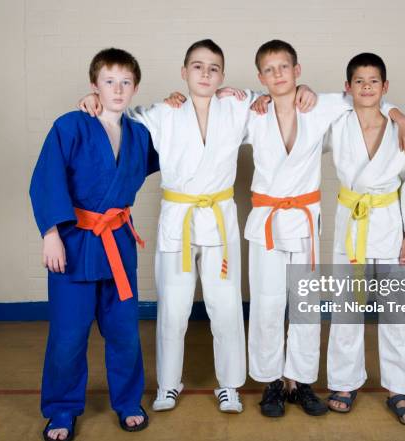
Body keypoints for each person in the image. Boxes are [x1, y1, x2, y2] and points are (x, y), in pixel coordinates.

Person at [78, 39, 317, 414]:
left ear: (223, 75)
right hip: (178, 218)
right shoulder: (162, 112)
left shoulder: (237, 105)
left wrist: (303, 88)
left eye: (213, 68)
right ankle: (169, 384)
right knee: (173, 308)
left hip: (219, 218)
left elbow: (279, 95)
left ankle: (229, 384)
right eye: (197, 67)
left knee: (225, 306)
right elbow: (117, 114)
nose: (205, 74)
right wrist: (92, 100)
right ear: (184, 72)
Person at [245, 40, 405, 418]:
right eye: (270, 70)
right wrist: (250, 96)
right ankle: (310, 382)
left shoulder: (336, 110)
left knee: (389, 311)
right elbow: (217, 105)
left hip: (382, 223)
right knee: (336, 308)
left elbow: (371, 102)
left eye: (285, 67)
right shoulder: (264, 111)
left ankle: (389, 388)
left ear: (298, 69)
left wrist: (401, 116)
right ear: (261, 77)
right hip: (320, 224)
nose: (367, 87)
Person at [30, 48, 159, 440]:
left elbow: (181, 150)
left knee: (123, 331)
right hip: (74, 244)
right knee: (69, 335)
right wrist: (50, 234)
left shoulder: (140, 134)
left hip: (117, 242)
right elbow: (46, 178)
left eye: (125, 82)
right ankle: (62, 409)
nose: (117, 89)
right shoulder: (71, 125)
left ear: (135, 87)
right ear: (94, 85)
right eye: (108, 81)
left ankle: (127, 400)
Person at [324, 52, 405, 425]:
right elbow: (302, 115)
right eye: (359, 81)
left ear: (385, 87)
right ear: (348, 87)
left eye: (374, 81)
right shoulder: (337, 123)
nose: (367, 87)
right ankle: (344, 382)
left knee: (397, 311)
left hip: (390, 223)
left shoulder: (402, 133)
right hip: (350, 224)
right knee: (346, 309)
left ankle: (400, 388)